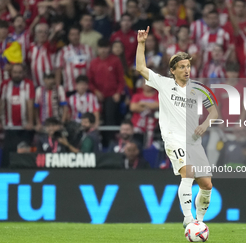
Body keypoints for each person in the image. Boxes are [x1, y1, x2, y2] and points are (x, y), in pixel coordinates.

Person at [136, 26, 219, 228]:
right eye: (181, 66)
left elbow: (215, 112)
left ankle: (199, 222)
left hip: (194, 141)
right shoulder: (163, 84)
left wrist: (206, 124)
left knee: (207, 184)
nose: (186, 70)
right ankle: (188, 219)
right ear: (172, 70)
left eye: (188, 66)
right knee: (188, 172)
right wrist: (141, 43)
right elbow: (140, 68)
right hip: (173, 137)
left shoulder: (199, 89)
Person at [88, 38, 126, 146]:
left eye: (105, 48)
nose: (103, 50)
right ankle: (97, 142)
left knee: (110, 118)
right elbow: (89, 81)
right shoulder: (93, 63)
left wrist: (118, 92)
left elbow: (121, 79)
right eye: (101, 48)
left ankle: (110, 143)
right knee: (97, 119)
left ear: (108, 48)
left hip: (112, 96)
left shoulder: (115, 61)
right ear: (98, 49)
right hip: (97, 96)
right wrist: (95, 91)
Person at [0, 63, 35, 167]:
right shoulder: (4, 84)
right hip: (9, 127)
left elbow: (30, 104)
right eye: (15, 72)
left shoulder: (29, 84)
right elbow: (0, 104)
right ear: (11, 73)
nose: (17, 75)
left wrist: (30, 122)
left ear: (23, 73)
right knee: (7, 155)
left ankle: (27, 176)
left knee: (25, 154)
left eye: (19, 72)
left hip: (24, 127)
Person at [56, 24, 93, 93]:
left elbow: (93, 68)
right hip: (70, 88)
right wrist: (58, 88)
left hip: (86, 88)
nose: (75, 37)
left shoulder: (88, 49)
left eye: (77, 34)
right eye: (72, 35)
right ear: (69, 36)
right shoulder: (63, 51)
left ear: (80, 35)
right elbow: (58, 70)